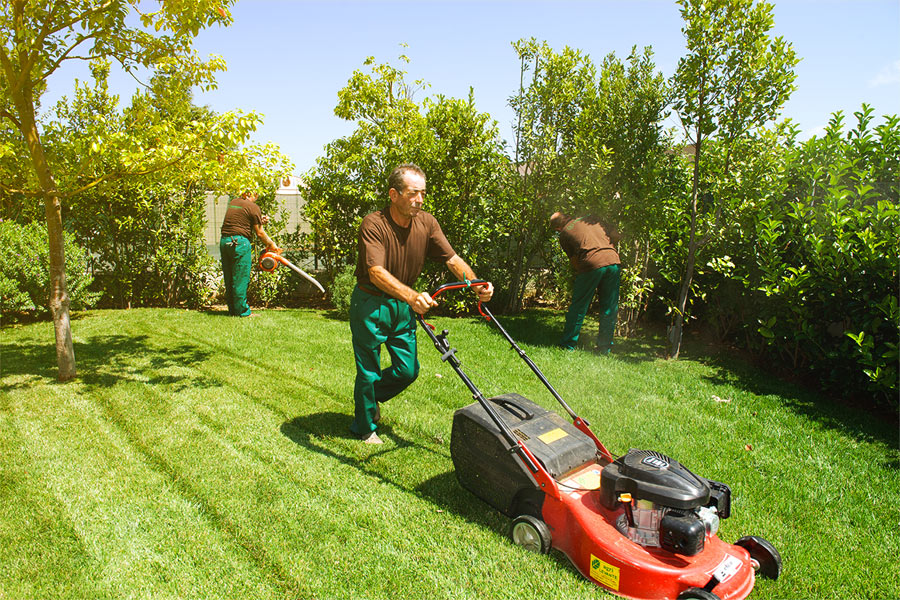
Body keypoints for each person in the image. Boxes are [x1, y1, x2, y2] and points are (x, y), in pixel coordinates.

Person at [350, 163, 493, 444]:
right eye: (413, 193)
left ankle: (369, 397)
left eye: (423, 193)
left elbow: (451, 259)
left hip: (402, 305)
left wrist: (476, 284)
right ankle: (365, 426)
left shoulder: (427, 223)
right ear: (394, 194)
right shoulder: (374, 224)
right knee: (368, 368)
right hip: (371, 303)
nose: (420, 200)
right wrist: (412, 296)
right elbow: (375, 273)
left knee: (408, 370)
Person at [551, 211, 621, 354]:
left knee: (579, 306)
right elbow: (616, 235)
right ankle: (604, 348)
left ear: (557, 228)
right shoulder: (590, 218)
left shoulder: (564, 234)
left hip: (591, 263)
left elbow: (575, 262)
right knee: (609, 307)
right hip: (613, 260)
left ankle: (567, 345)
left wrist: (584, 273)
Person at [219, 190, 281, 317]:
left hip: (225, 242)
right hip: (239, 244)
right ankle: (242, 311)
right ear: (253, 194)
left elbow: (240, 219)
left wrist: (258, 220)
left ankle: (233, 310)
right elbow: (259, 233)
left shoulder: (234, 202)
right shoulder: (254, 207)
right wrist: (271, 244)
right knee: (241, 278)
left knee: (229, 277)